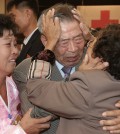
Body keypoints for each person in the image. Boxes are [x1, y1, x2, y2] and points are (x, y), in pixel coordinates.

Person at [12, 3, 120, 134]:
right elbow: (35, 116)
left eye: (78, 39)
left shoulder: (99, 59)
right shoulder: (25, 69)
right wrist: (80, 79)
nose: (73, 49)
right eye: (63, 42)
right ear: (46, 41)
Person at [0, 14, 52, 134]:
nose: (15, 51)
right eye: (8, 44)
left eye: (15, 44)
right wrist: (22, 130)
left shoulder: (13, 85)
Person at [7, 0, 45, 65]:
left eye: (13, 16)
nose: (11, 22)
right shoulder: (26, 41)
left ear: (27, 13)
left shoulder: (42, 42)